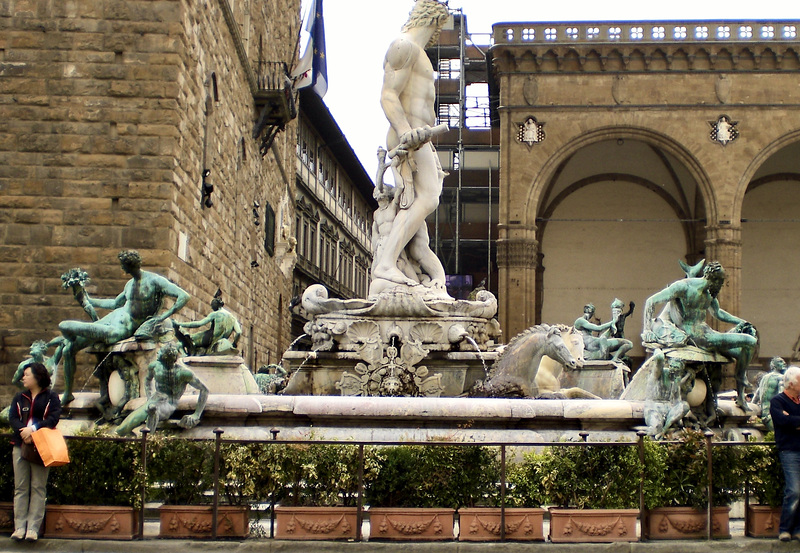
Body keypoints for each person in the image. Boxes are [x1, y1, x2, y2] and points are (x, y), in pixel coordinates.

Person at [370, 0, 450, 297]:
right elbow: (388, 96)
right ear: (432, 20)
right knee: (427, 197)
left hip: (420, 139)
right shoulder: (403, 45)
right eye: (438, 28)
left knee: (422, 199)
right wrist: (406, 132)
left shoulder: (420, 55)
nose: (437, 34)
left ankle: (397, 264)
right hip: (408, 136)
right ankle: (387, 263)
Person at [51, 250, 190, 405]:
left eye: (123, 266)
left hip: (121, 329)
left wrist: (161, 317)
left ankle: (70, 332)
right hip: (113, 317)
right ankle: (67, 394)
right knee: (68, 349)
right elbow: (115, 304)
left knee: (64, 326)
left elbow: (184, 296)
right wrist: (89, 300)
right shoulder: (129, 284)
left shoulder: (155, 281)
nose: (122, 270)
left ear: (129, 266)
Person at [642, 261, 758, 410]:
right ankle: (741, 378)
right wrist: (647, 331)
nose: (722, 286)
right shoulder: (684, 286)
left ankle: (741, 396)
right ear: (713, 279)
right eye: (721, 282)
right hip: (698, 337)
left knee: (741, 352)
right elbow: (651, 301)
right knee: (749, 341)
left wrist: (742, 321)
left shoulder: (709, 294)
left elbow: (718, 313)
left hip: (709, 335)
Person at [8, 363, 62, 542]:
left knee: (38, 487)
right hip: (20, 445)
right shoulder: (19, 397)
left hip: (42, 446)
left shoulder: (51, 397)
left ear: (37, 377)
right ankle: (19, 527)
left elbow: (53, 418)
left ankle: (33, 528)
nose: (23, 378)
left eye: (26, 375)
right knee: (21, 487)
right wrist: (23, 431)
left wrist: (33, 429)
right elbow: (13, 418)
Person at [115, 343, 208, 436]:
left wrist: (196, 414)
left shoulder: (183, 373)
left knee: (153, 409)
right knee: (122, 429)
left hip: (169, 404)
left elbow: (204, 390)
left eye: (161, 351)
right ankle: (131, 438)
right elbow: (147, 381)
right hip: (154, 400)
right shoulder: (155, 366)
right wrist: (149, 396)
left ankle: (148, 440)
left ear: (166, 356)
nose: (158, 352)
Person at [769, 365, 800, 542]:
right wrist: (791, 422)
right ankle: (785, 528)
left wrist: (793, 421)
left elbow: (789, 421)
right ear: (791, 384)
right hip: (789, 450)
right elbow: (782, 421)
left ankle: (797, 529)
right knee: (794, 490)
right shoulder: (778, 401)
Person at [173, 291, 242, 356]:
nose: (212, 308)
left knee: (184, 342)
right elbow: (238, 332)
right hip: (220, 341)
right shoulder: (233, 318)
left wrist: (180, 324)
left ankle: (183, 355)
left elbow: (199, 324)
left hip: (209, 337)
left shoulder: (215, 314)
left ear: (216, 306)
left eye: (212, 306)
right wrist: (234, 344)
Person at [754, 356, 787, 431]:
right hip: (774, 416)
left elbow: (756, 396)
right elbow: (781, 397)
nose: (784, 363)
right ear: (774, 365)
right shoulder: (781, 377)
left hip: (764, 415)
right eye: (780, 361)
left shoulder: (764, 378)